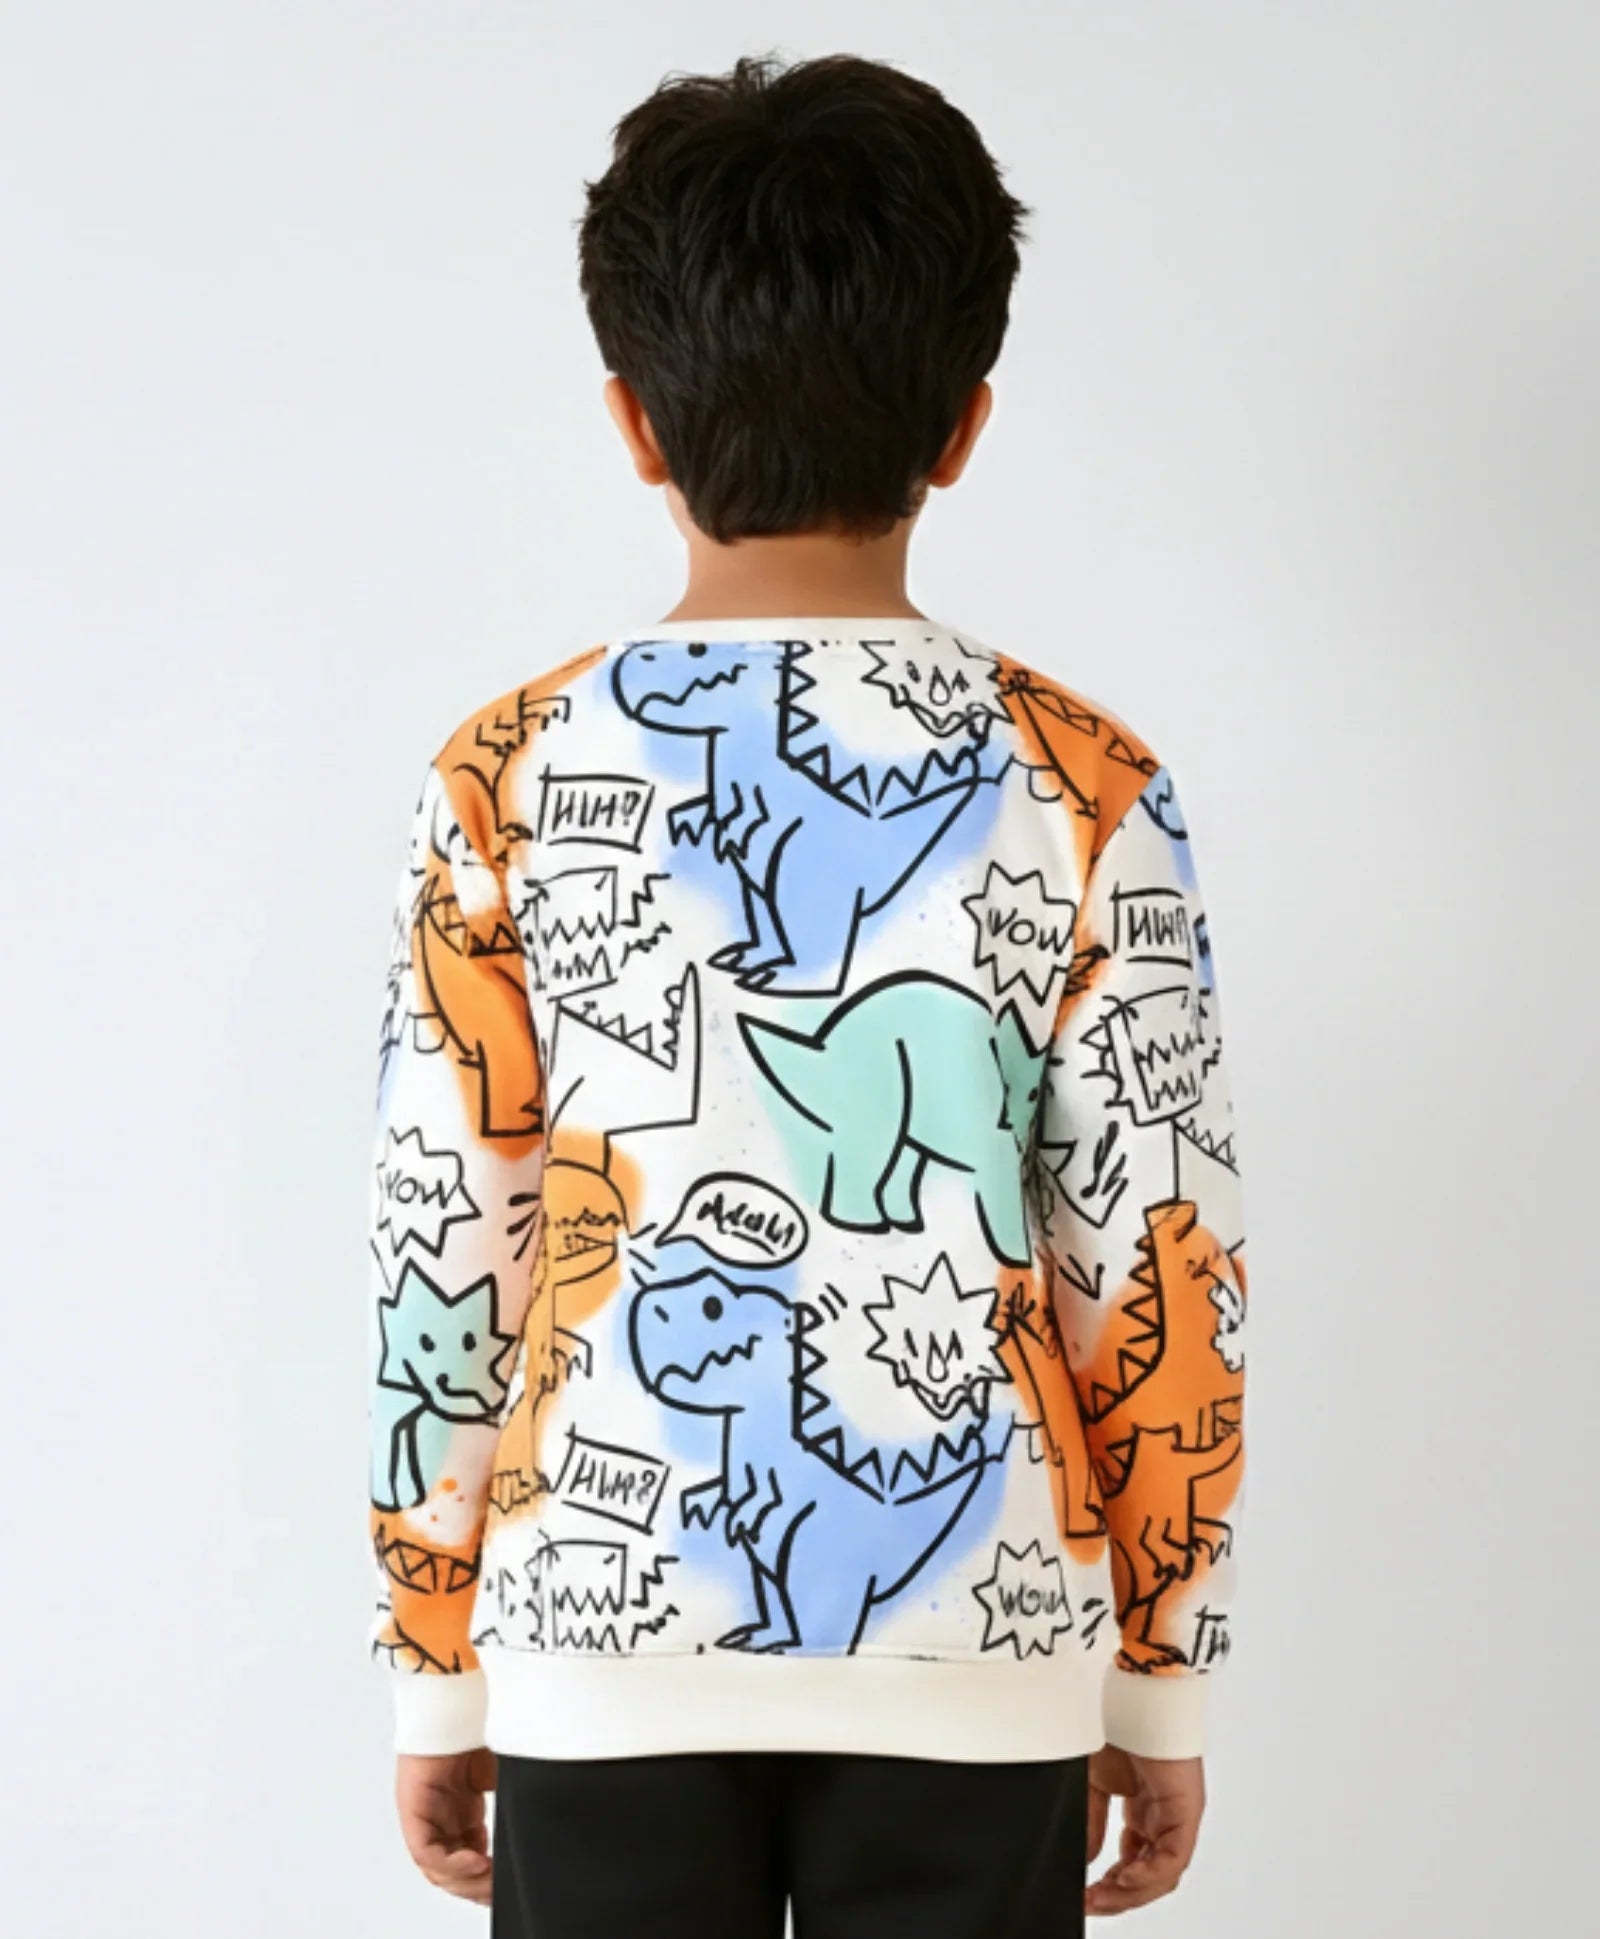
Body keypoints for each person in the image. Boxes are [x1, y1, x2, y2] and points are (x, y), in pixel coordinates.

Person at [365, 50, 1249, 1937]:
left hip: (594, 1645)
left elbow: (446, 1234)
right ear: (966, 424)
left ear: (633, 420)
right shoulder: (1088, 780)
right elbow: (1158, 1252)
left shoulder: (501, 773)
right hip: (989, 1650)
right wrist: (1158, 1680)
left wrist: (434, 1659)